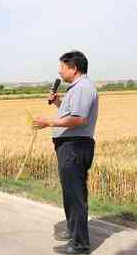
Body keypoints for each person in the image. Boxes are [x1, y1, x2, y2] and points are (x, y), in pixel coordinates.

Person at [33, 51, 98, 255]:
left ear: (74, 68)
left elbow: (79, 119)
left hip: (75, 146)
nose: (59, 71)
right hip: (70, 146)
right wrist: (58, 103)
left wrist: (48, 122)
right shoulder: (76, 89)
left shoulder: (83, 88)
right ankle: (73, 231)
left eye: (62, 66)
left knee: (75, 195)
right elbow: (71, 113)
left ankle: (80, 244)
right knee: (71, 193)